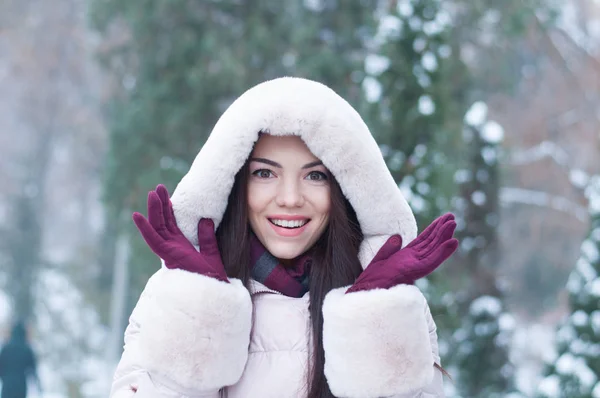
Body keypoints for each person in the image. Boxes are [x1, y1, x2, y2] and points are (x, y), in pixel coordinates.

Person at [110, 77, 458, 398]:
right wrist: (200, 314)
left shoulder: (393, 306)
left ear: (345, 189)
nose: (290, 198)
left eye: (315, 176)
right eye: (264, 173)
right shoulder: (176, 297)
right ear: (232, 184)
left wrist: (375, 321)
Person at [0, 321, 41, 398]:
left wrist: (4, 377)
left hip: (7, 385)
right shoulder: (27, 349)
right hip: (21, 385)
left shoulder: (6, 348)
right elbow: (32, 369)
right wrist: (38, 386)